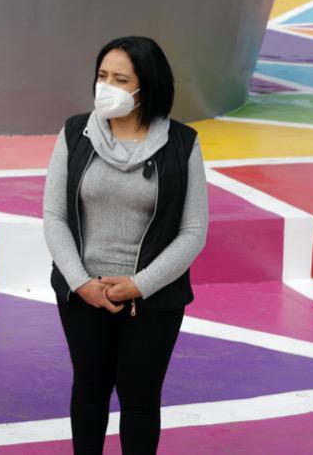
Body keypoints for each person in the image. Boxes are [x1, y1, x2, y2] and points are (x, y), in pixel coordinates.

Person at [42, 36, 208, 455]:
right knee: (90, 392)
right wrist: (82, 283)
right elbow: (55, 217)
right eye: (102, 76)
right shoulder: (74, 134)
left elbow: (193, 231)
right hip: (83, 295)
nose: (106, 87)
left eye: (120, 78)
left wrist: (139, 285)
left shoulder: (182, 145)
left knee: (140, 400)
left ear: (146, 86)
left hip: (153, 300)